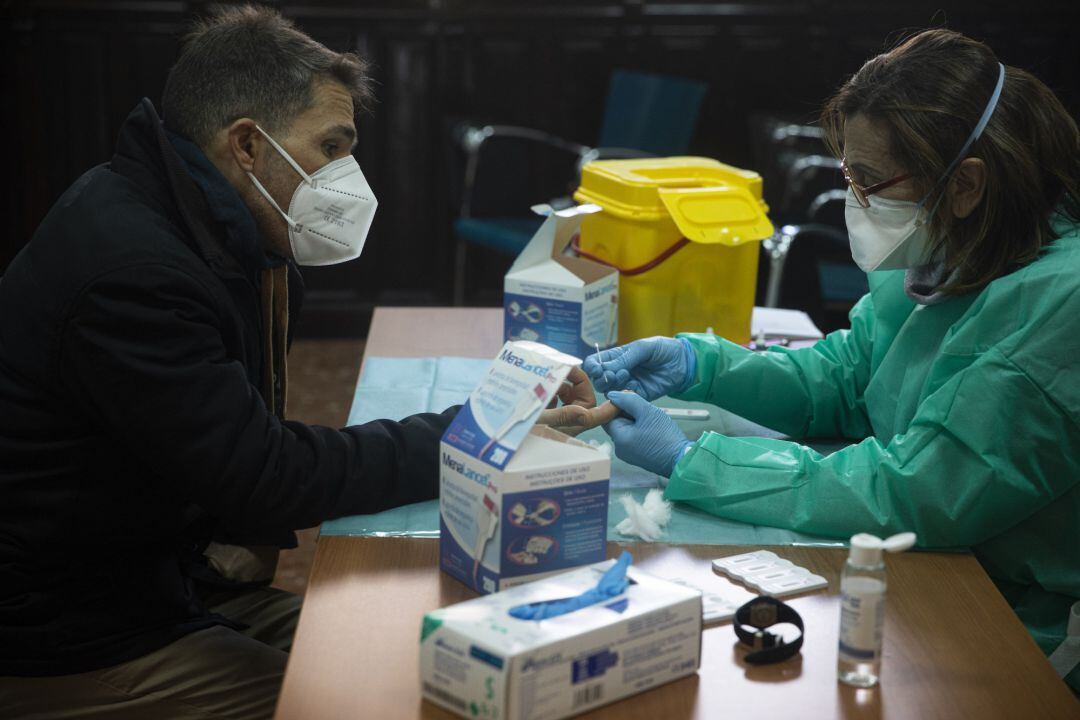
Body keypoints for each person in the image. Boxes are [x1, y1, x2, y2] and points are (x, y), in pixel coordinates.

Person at [0, 6, 603, 718]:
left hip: (155, 575)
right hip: (63, 629)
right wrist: (477, 435)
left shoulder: (204, 225)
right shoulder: (136, 272)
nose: (345, 175)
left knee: (427, 656)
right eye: (330, 147)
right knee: (382, 700)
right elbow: (268, 476)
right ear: (249, 145)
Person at [585, 28, 1080, 692]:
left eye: (870, 180)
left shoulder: (1059, 307)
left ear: (963, 185)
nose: (855, 199)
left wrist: (692, 461)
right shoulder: (951, 253)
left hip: (1009, 621)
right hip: (928, 574)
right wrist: (702, 363)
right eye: (848, 173)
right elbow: (848, 379)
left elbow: (916, 491)